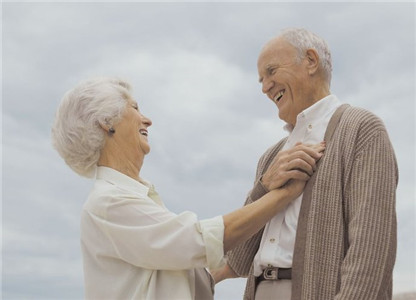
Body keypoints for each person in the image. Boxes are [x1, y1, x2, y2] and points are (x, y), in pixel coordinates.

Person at [51, 77, 325, 300]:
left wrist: (223, 269)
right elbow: (196, 241)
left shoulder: (131, 198)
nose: (147, 120)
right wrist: (283, 193)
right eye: (135, 108)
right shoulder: (109, 202)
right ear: (106, 122)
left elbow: (178, 259)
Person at [212, 28, 398, 300]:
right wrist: (264, 187)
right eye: (261, 80)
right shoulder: (271, 156)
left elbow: (371, 248)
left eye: (271, 71)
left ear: (311, 61)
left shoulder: (362, 129)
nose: (265, 87)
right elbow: (240, 259)